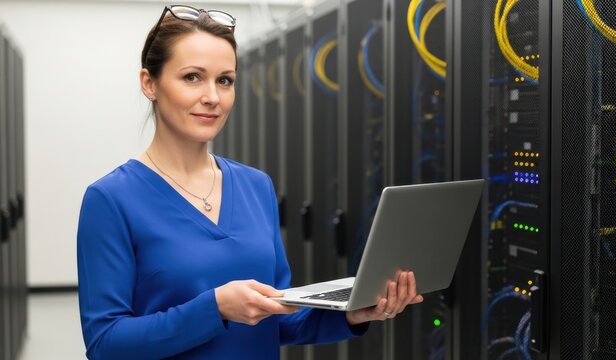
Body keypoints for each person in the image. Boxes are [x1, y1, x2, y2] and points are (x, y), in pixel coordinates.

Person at [77, 5, 423, 359]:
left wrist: (351, 314)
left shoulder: (256, 186)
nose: (212, 96)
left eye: (225, 80)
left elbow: (279, 317)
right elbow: (106, 343)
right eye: (192, 77)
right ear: (149, 83)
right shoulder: (111, 199)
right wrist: (215, 309)